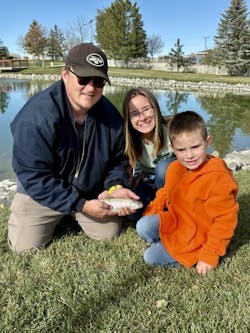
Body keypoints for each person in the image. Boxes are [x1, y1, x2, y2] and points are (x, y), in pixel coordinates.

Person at [8, 43, 139, 253]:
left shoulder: (111, 117)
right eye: (83, 79)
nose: (90, 88)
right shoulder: (36, 117)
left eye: (98, 82)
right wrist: (81, 205)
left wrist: (115, 187)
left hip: (90, 190)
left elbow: (118, 161)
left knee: (109, 232)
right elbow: (34, 176)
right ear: (65, 74)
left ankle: (69, 215)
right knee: (24, 248)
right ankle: (64, 212)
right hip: (43, 193)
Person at [136, 111, 239, 275]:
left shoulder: (217, 177)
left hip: (200, 234)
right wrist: (152, 212)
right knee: (143, 225)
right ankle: (168, 241)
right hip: (179, 221)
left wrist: (210, 255)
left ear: (207, 142)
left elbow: (224, 220)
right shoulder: (175, 168)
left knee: (150, 257)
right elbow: (165, 192)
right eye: (182, 150)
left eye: (195, 147)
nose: (189, 155)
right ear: (172, 149)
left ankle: (194, 252)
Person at [122, 87, 175, 218]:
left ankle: (173, 207)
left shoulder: (173, 129)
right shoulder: (129, 139)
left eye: (146, 109)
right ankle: (155, 206)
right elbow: (136, 169)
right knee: (132, 211)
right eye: (134, 114)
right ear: (129, 119)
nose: (142, 117)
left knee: (163, 168)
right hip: (149, 182)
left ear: (155, 108)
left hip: (172, 183)